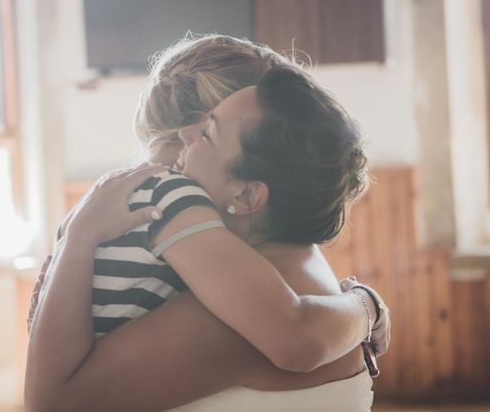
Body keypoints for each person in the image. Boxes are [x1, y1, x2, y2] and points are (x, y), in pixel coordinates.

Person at [26, 35, 390, 412]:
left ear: (247, 195)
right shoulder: (294, 261)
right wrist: (367, 304)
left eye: (207, 134)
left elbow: (53, 404)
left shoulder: (242, 316)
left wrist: (78, 239)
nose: (167, 179)